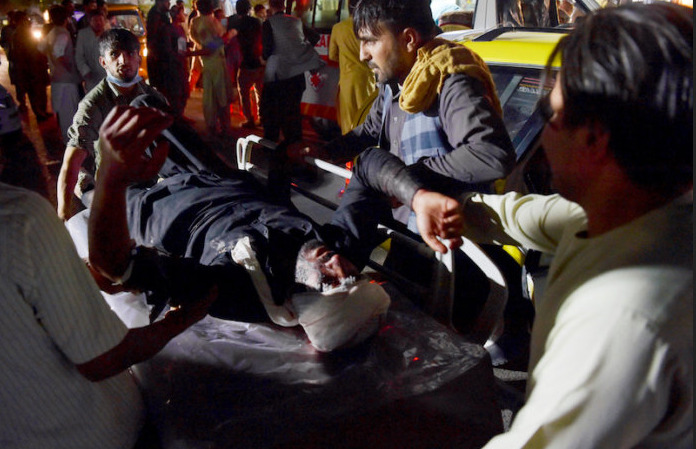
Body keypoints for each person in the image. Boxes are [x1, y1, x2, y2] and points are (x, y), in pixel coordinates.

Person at [371, 4, 693, 447]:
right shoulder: (638, 217)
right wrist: (450, 206)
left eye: (550, 112)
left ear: (595, 136)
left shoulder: (625, 311)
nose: (542, 132)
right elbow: (526, 216)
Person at [86, 103, 392, 353]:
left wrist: (110, 178)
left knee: (108, 167)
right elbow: (368, 165)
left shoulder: (236, 286)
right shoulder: (338, 247)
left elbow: (117, 266)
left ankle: (90, 166)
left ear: (302, 302)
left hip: (167, 210)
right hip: (220, 180)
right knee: (146, 108)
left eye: (332, 283)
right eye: (353, 275)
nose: (338, 263)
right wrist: (420, 196)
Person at [0, 127, 214, 447]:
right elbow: (104, 359)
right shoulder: (19, 217)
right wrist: (185, 317)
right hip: (94, 434)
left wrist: (78, 278)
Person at [314, 0, 514, 266]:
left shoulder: (449, 79)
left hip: (449, 249)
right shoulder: (397, 80)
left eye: (371, 41)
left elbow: (490, 154)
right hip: (407, 232)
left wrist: (407, 178)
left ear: (408, 39)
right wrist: (327, 151)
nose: (363, 54)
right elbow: (372, 128)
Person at [57, 28, 167, 221]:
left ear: (138, 58)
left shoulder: (153, 98)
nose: (124, 61)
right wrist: (63, 215)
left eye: (130, 53)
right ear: (103, 62)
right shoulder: (94, 104)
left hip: (153, 184)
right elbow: (71, 162)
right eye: (115, 54)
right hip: (114, 189)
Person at [260, 0, 324, 144]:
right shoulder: (296, 21)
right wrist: (299, 50)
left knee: (272, 114)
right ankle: (294, 147)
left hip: (277, 77)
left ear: (271, 6)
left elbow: (267, 52)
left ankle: (272, 148)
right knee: (293, 113)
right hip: (296, 78)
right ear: (283, 5)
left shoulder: (268, 23)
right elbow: (315, 37)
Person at [328, 0, 377, 135]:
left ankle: (350, 153)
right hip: (367, 79)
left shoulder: (338, 28)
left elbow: (332, 56)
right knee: (367, 118)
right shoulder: (369, 26)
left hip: (348, 79)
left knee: (348, 121)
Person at [190, 0, 238, 136]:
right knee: (220, 97)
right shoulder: (207, 22)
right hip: (216, 63)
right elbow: (211, 46)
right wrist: (230, 35)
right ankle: (223, 128)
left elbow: (199, 42)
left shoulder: (196, 22)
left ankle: (214, 127)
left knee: (211, 98)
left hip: (209, 63)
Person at [41, 4, 83, 144]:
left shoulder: (51, 33)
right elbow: (59, 55)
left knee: (63, 113)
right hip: (66, 81)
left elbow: (40, 47)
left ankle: (70, 142)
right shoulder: (62, 33)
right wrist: (71, 69)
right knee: (69, 114)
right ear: (65, 18)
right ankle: (72, 145)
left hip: (57, 79)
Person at [228, 0, 264, 128]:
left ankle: (250, 120)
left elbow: (228, 39)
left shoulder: (236, 23)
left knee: (244, 93)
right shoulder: (257, 22)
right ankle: (262, 117)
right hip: (259, 62)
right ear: (249, 9)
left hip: (245, 63)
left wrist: (211, 45)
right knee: (260, 92)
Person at [10, 10, 51, 122]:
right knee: (34, 93)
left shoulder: (28, 33)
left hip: (37, 67)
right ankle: (39, 113)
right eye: (25, 19)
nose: (27, 21)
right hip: (30, 70)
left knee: (41, 91)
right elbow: (20, 56)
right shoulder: (18, 35)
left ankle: (43, 111)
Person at [75, 8, 109, 93]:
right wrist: (85, 71)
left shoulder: (110, 34)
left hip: (108, 75)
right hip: (91, 77)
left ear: (104, 21)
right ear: (90, 21)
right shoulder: (83, 34)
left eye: (100, 20)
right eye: (95, 20)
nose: (98, 23)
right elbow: (79, 56)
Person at [146, 0, 174, 96]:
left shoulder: (163, 14)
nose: (169, 4)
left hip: (163, 57)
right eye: (167, 1)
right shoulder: (155, 15)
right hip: (159, 59)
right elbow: (153, 36)